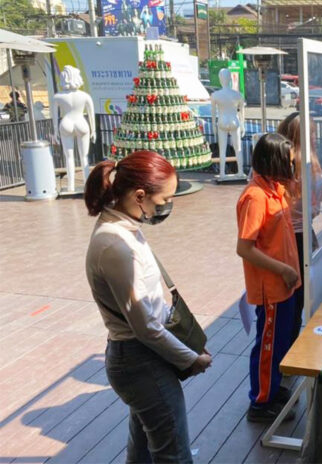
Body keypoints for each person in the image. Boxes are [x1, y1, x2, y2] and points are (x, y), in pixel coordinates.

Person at [84, 151, 212, 463]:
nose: (165, 207)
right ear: (139, 195)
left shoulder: (121, 227)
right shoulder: (116, 245)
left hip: (137, 358)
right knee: (173, 454)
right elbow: (145, 327)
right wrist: (190, 360)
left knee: (142, 451)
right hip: (139, 360)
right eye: (162, 201)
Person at [237, 133, 301, 422]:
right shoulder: (255, 197)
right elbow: (245, 248)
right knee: (267, 345)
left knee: (280, 341)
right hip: (272, 288)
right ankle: (260, 402)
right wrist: (283, 270)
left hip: (286, 284)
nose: (291, 167)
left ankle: (272, 389)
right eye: (287, 162)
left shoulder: (275, 189)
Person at [276, 112, 322, 343]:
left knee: (289, 304)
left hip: (285, 239)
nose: (315, 138)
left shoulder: (276, 164)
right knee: (297, 300)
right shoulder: (308, 166)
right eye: (312, 134)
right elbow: (315, 207)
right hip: (298, 239)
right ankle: (289, 354)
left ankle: (286, 352)